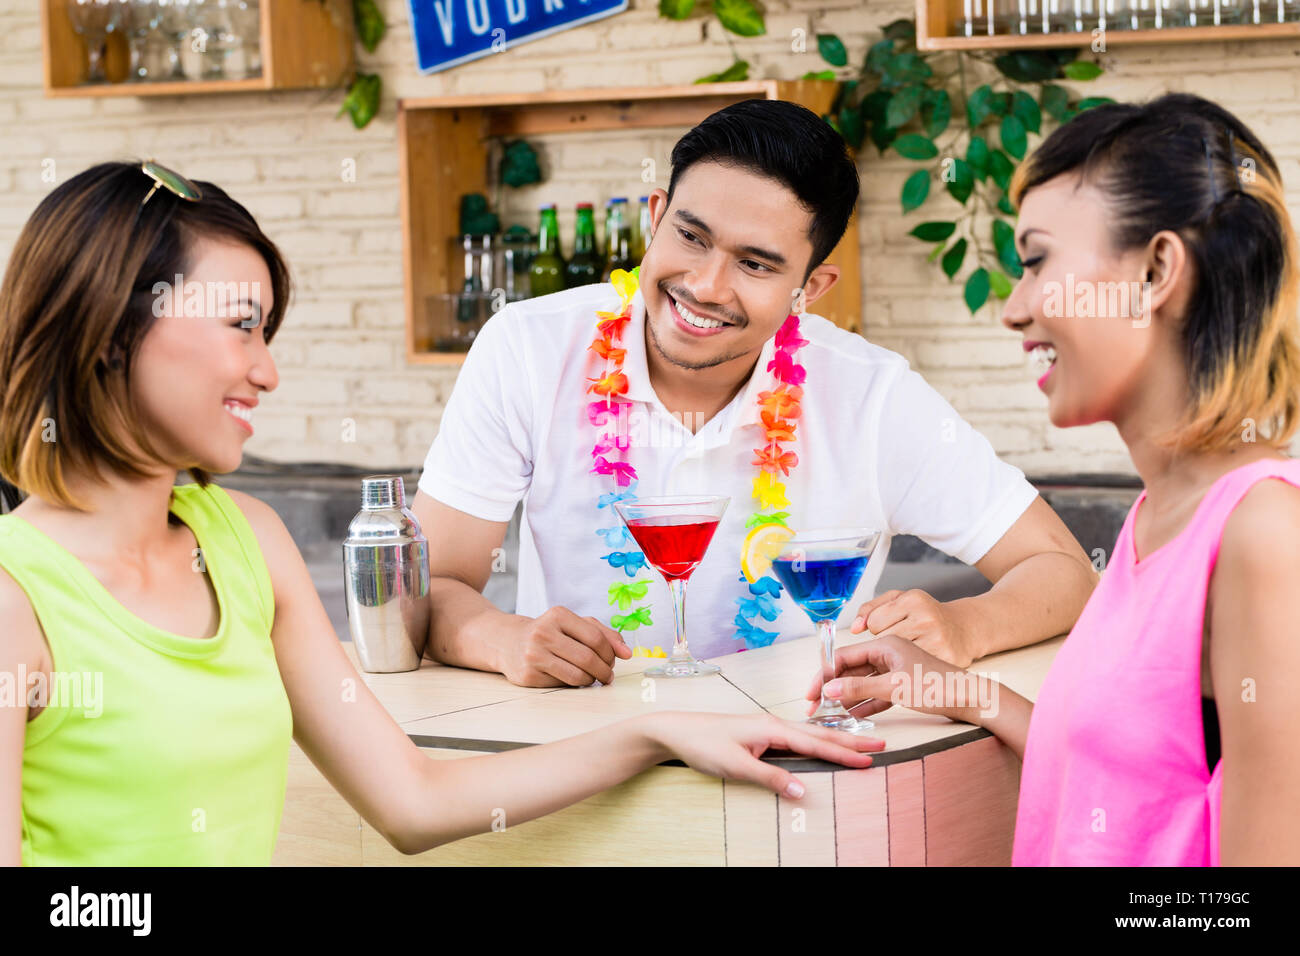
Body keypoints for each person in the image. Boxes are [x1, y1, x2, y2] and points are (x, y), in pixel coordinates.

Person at [0, 161, 885, 866]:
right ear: (114, 329)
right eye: (241, 326)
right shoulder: (15, 598)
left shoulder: (244, 542)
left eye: (267, 334)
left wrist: (655, 729)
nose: (265, 372)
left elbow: (414, 802)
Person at [414, 98, 1098, 689]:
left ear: (812, 289)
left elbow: (1064, 570)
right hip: (578, 751)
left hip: (797, 765)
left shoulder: (872, 395)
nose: (707, 286)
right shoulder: (528, 350)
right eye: (690, 236)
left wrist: (963, 623)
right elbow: (430, 586)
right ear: (655, 219)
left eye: (754, 264)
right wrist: (501, 639)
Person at [811, 93, 1300, 865]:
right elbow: (1128, 782)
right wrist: (943, 685)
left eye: (1037, 261)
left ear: (1155, 271)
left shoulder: (1262, 531)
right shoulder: (1157, 515)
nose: (1012, 309)